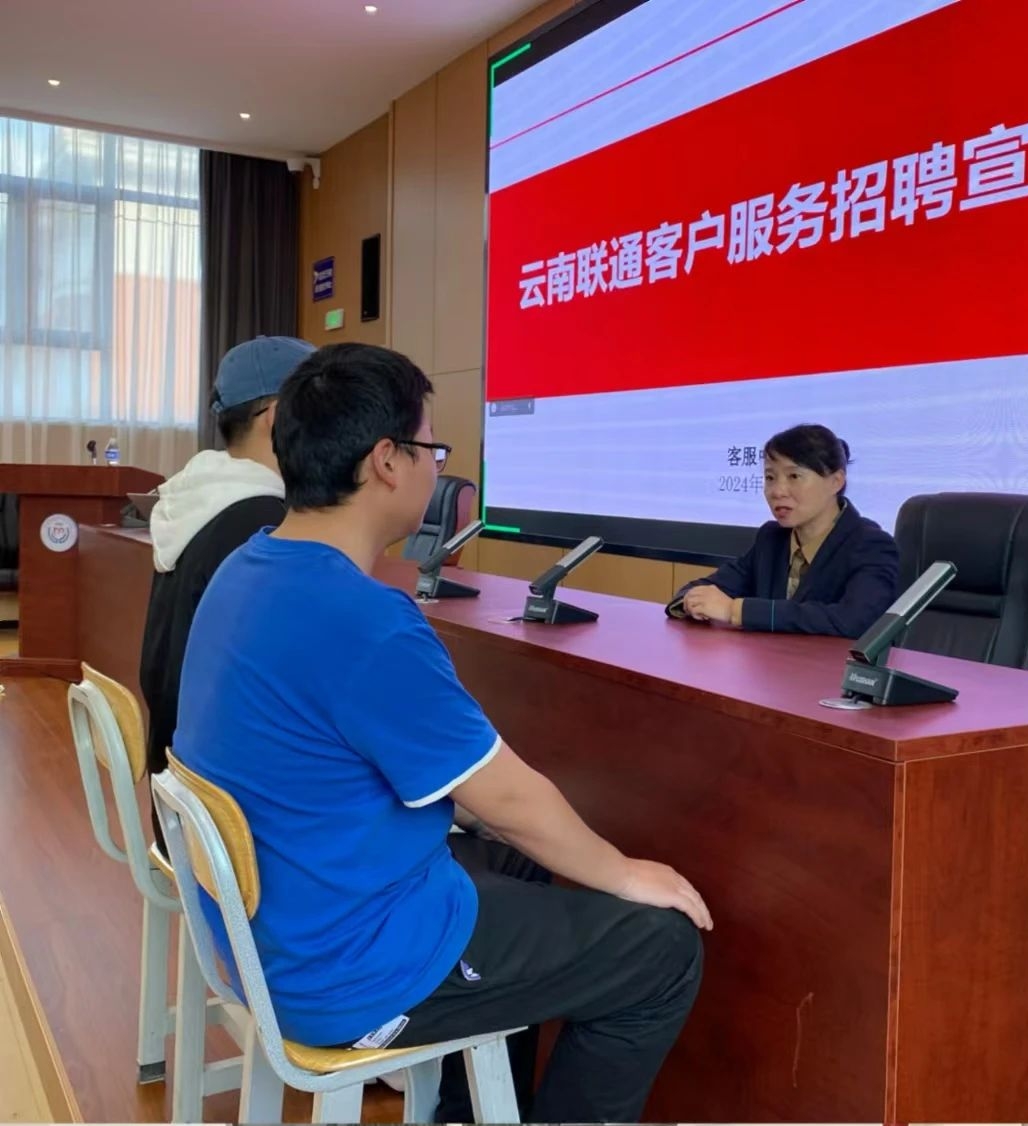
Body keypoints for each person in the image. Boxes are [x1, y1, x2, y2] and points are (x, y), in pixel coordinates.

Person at [171, 342, 709, 1124]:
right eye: (432, 448)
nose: (435, 467)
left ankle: (464, 1109)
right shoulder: (362, 617)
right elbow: (505, 800)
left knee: (522, 861)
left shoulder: (247, 567)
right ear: (387, 461)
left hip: (268, 935)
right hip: (344, 969)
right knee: (659, 949)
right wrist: (625, 872)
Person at [140, 335, 315, 848]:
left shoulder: (202, 500)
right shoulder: (263, 524)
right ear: (278, 418)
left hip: (183, 797)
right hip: (231, 828)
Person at [668, 423, 899, 638]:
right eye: (770, 477)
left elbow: (856, 621)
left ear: (836, 481)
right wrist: (693, 600)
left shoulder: (871, 545)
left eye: (794, 476)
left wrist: (737, 610)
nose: (777, 491)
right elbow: (705, 587)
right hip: (770, 665)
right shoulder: (772, 538)